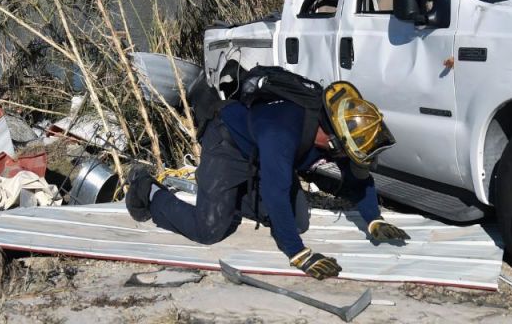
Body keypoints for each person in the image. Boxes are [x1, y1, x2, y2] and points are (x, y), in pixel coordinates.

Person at [125, 69, 409, 280]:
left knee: (296, 221)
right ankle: (146, 188)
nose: (343, 158)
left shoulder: (333, 126)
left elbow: (355, 175)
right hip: (228, 143)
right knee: (209, 228)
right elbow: (276, 191)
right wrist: (298, 253)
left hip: (263, 154)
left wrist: (373, 218)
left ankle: (229, 197)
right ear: (332, 140)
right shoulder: (282, 133)